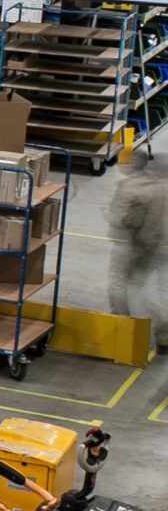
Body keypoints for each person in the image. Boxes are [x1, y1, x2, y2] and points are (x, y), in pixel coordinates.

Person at [107, 146, 165, 355]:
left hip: (129, 244)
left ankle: (119, 325)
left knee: (117, 284)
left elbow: (121, 219)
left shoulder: (129, 189)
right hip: (152, 243)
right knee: (140, 287)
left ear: (130, 164)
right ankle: (163, 331)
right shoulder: (157, 185)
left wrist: (108, 214)